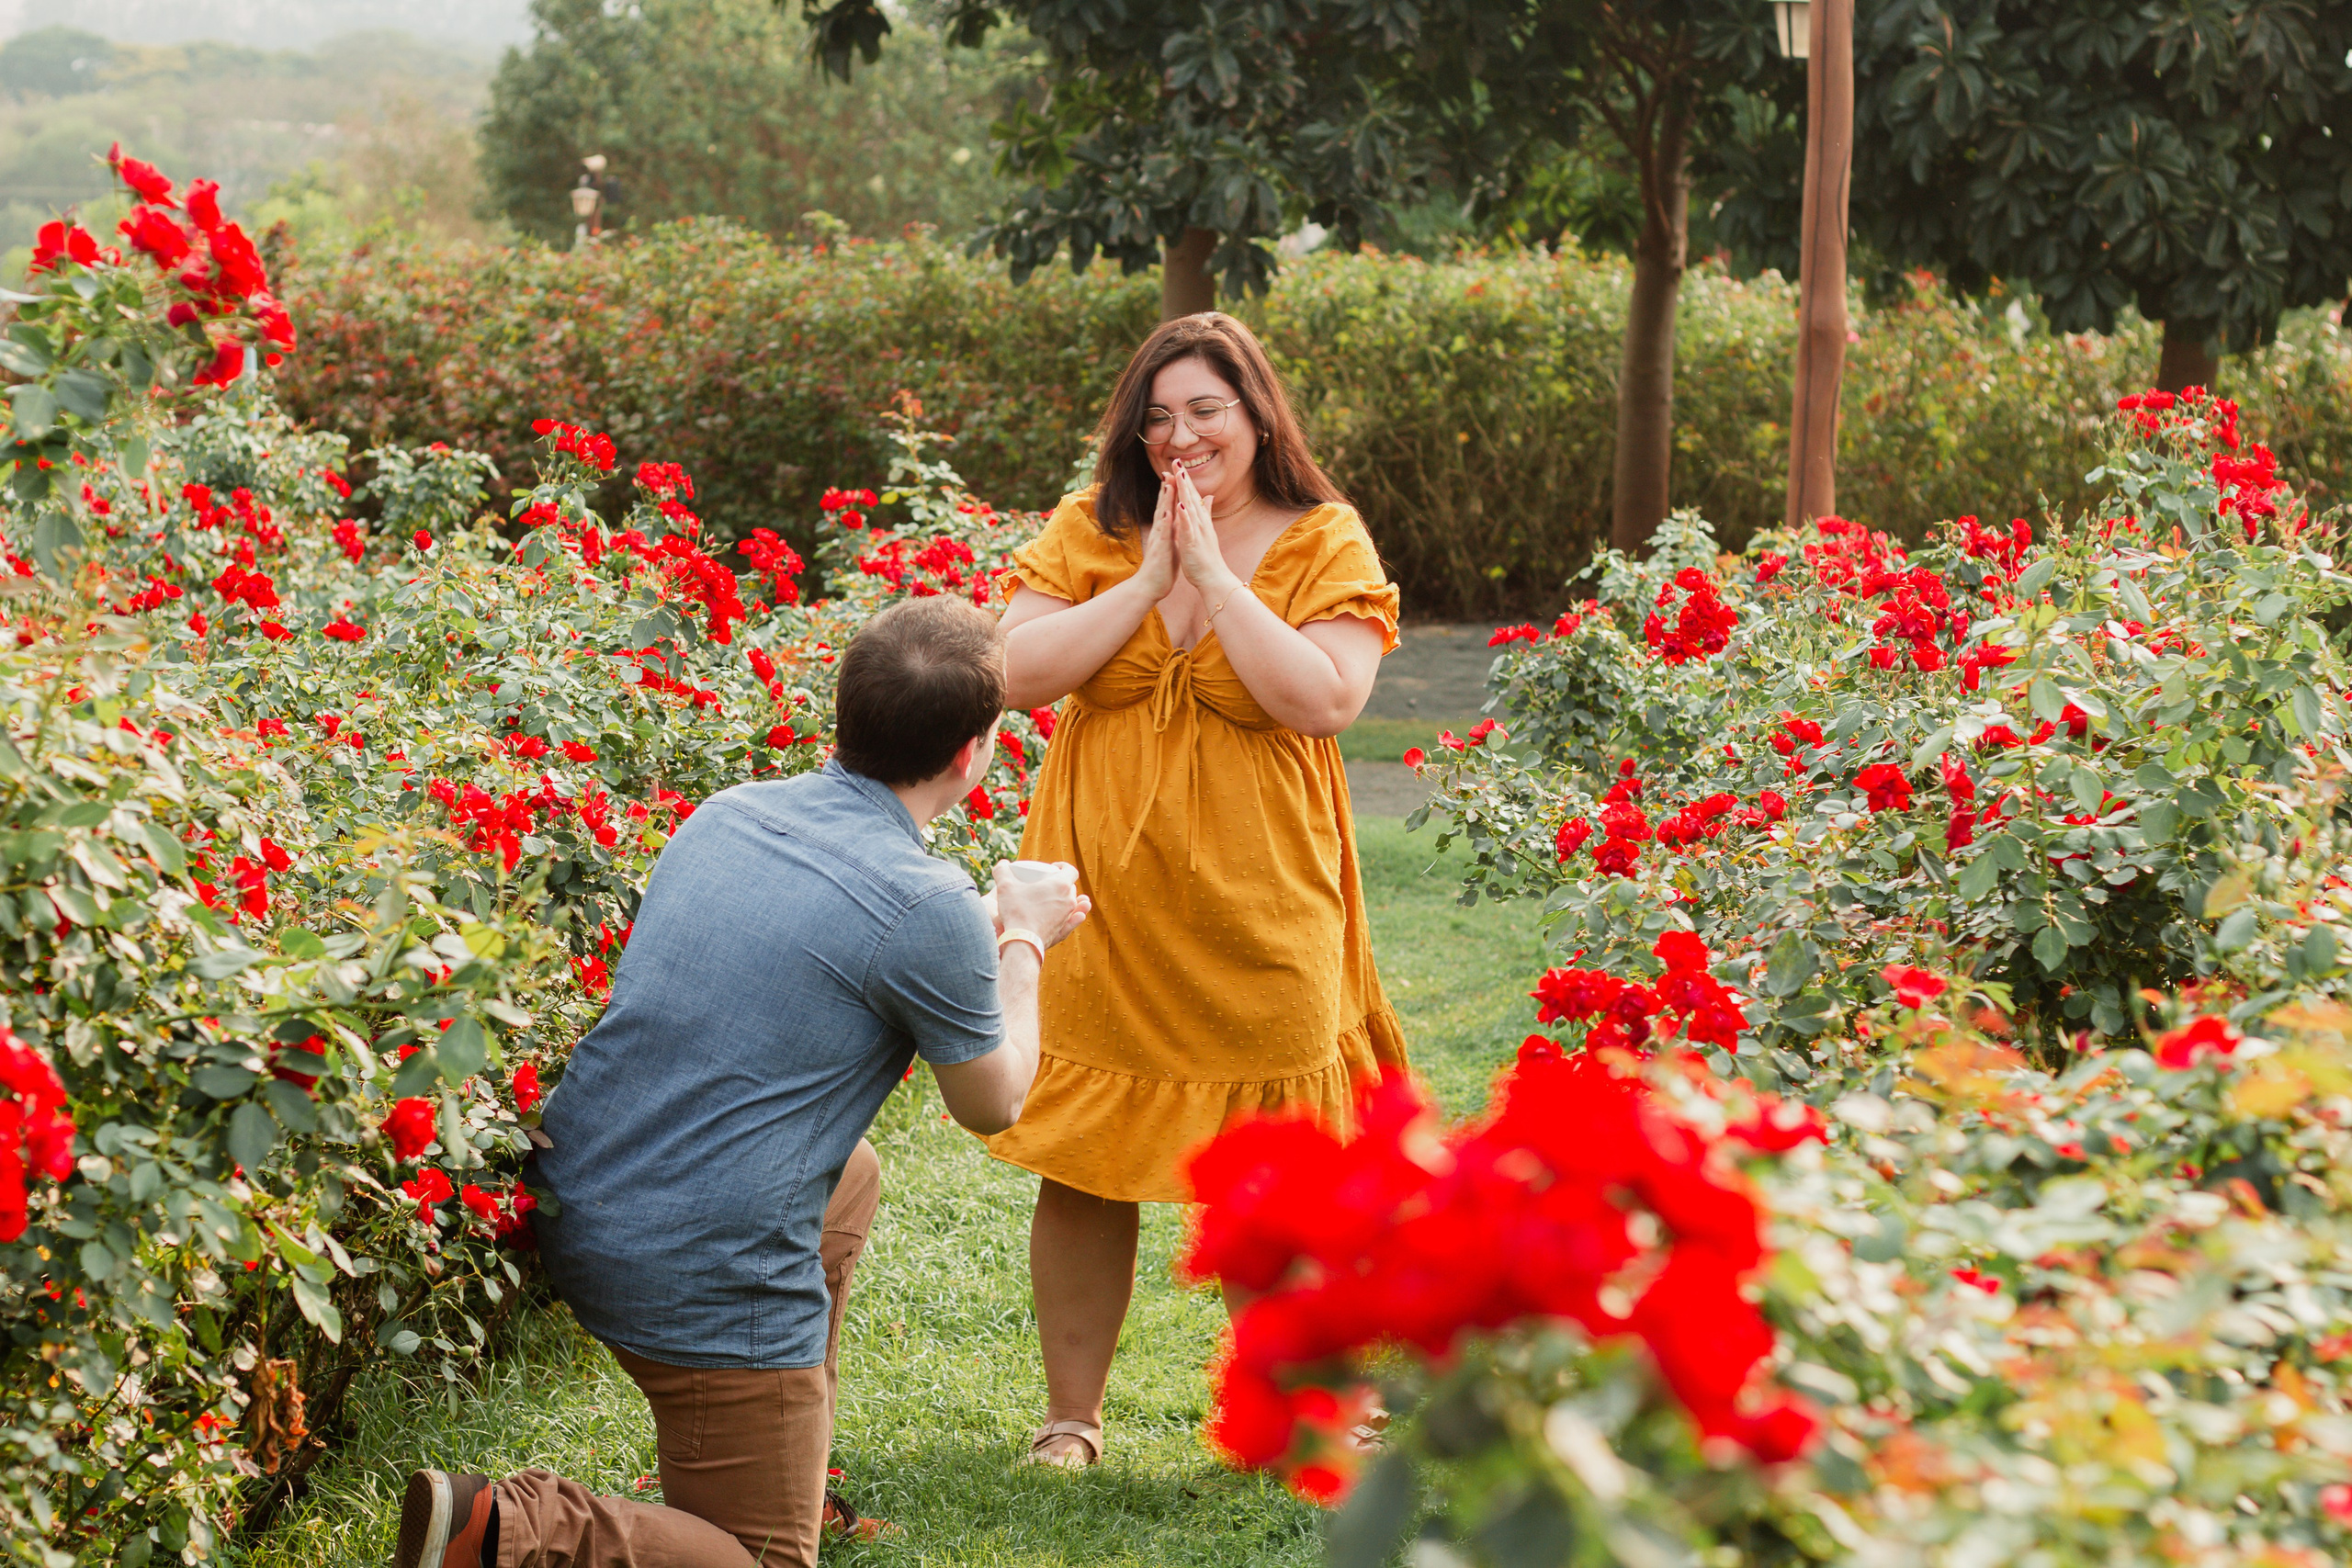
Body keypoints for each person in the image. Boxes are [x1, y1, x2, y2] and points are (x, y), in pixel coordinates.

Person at [394, 595, 1089, 1568]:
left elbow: (860, 942)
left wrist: (978, 926)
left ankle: (779, 1465)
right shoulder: (925, 904)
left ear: (841, 713)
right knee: (761, 1563)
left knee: (852, 1175)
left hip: (588, 1194)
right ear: (974, 753)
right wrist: (1022, 936)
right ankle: (505, 1527)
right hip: (698, 1268)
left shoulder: (734, 813)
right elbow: (994, 1100)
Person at [983, 312, 1408, 1467]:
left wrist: (1217, 578)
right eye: (1158, 415)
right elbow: (1013, 673)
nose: (1181, 436)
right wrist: (1150, 579)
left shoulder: (1325, 538)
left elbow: (1322, 698)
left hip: (1260, 901)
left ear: (1256, 415)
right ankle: (1070, 1422)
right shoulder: (1092, 528)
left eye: (1205, 411)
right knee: (1082, 1165)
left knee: (1280, 1165)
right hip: (1098, 902)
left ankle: (1308, 1407)